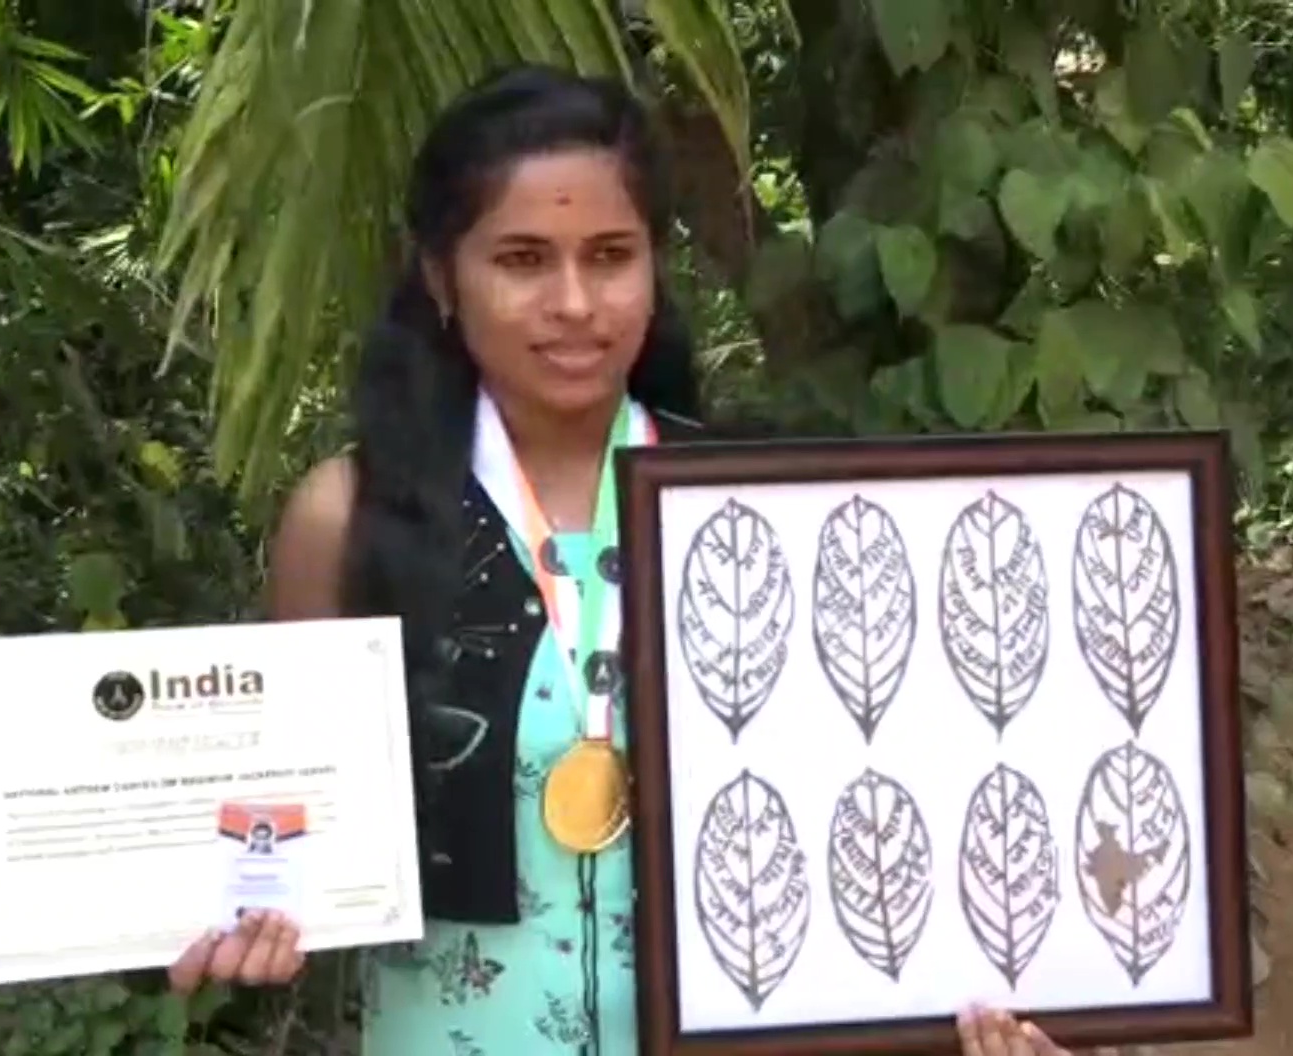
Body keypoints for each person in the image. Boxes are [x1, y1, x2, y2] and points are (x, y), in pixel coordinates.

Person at [166, 64, 1077, 1056]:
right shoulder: (348, 518)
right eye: (521, 259)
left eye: (610, 255)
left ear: (653, 267)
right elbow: (279, 843)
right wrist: (243, 917)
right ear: (439, 276)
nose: (573, 302)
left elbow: (881, 825)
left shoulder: (765, 516)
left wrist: (990, 1003)